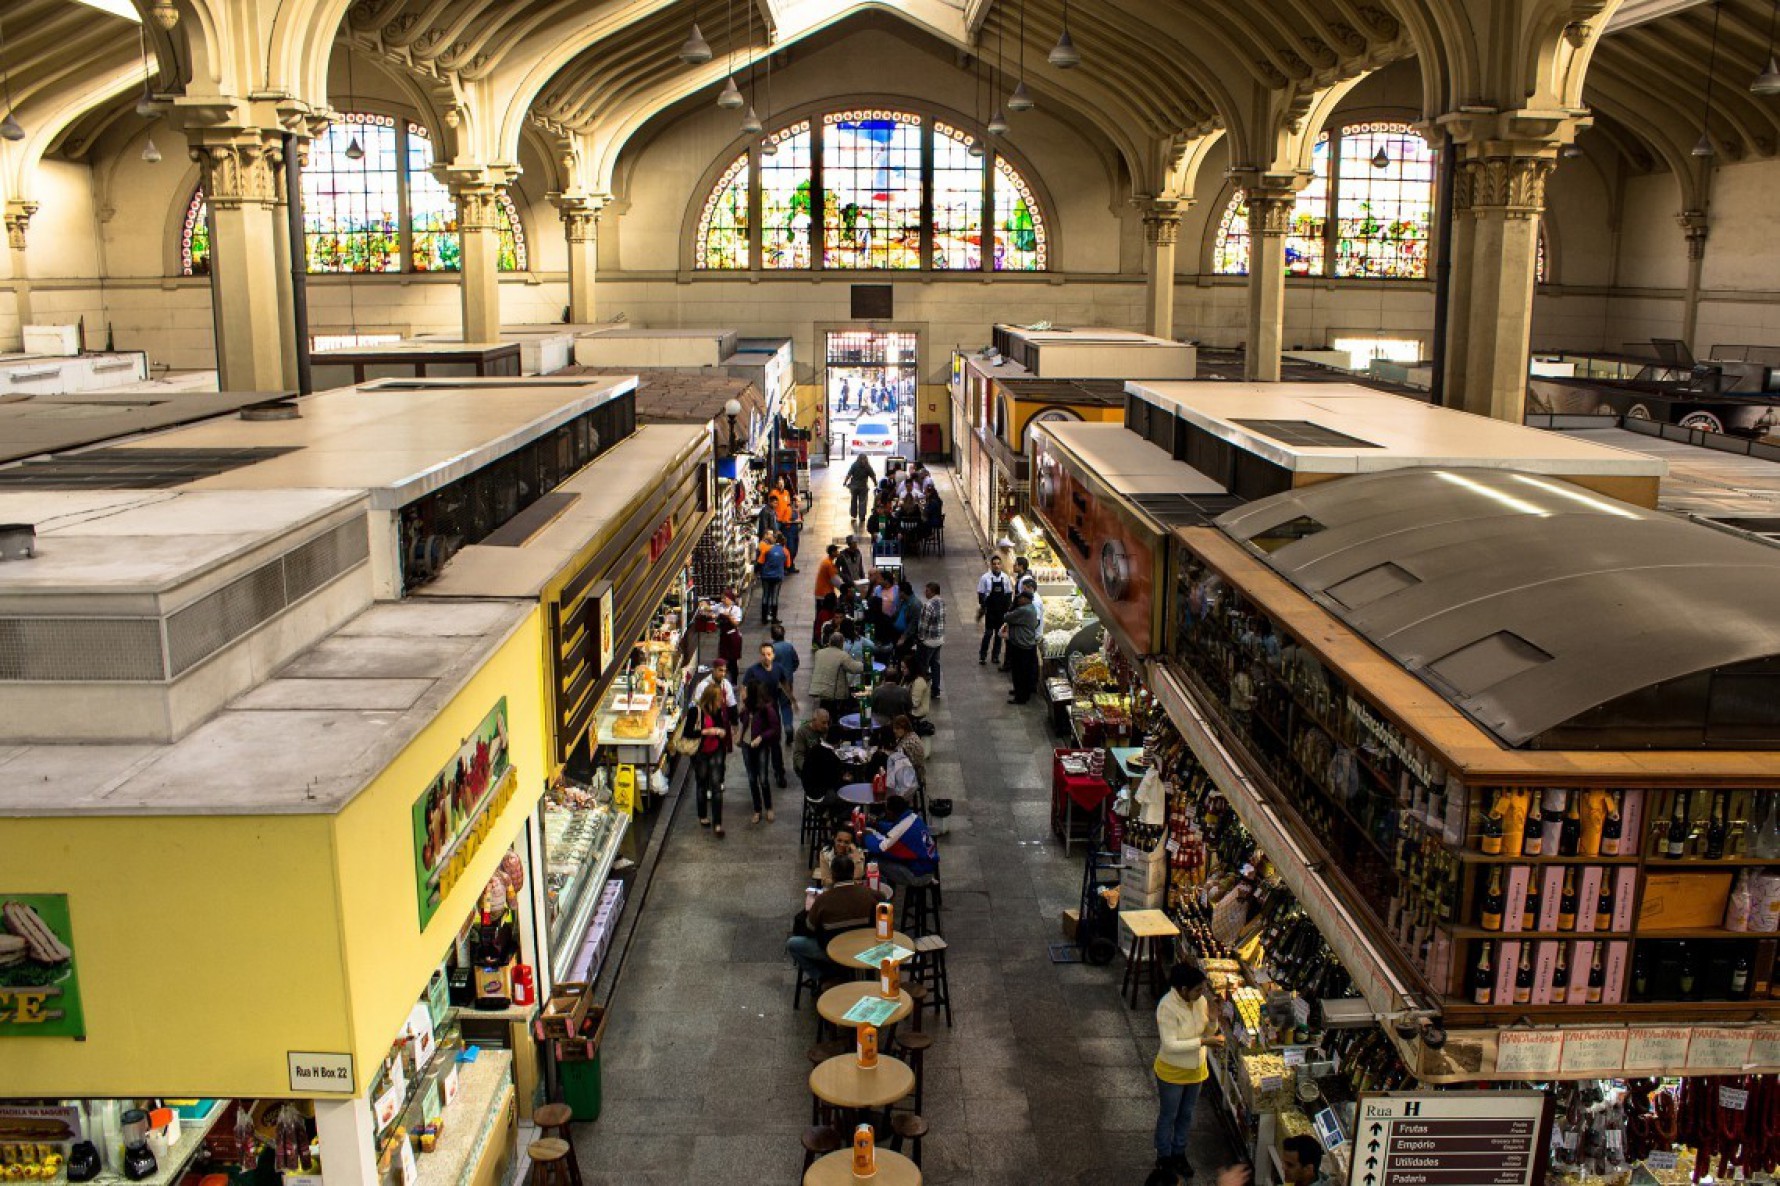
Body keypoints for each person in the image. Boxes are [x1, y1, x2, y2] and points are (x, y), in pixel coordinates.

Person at [1151, 964, 1224, 1182]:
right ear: (1183, 989)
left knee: (1186, 1115)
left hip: (1195, 1071)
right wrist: (1203, 1041)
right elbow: (1170, 1044)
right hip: (1172, 1072)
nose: (1201, 994)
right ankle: (1164, 1157)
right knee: (1169, 1115)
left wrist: (1212, 1019)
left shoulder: (1199, 1002)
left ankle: (1179, 1153)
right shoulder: (1166, 1007)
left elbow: (1208, 1031)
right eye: (1197, 990)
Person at [785, 855, 887, 979]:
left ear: (832, 875)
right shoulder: (868, 894)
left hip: (832, 951)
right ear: (853, 872)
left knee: (792, 944)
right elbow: (883, 901)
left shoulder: (822, 900)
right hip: (863, 949)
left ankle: (822, 977)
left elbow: (810, 927)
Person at [863, 794, 939, 894]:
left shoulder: (902, 830)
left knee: (873, 863)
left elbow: (879, 848)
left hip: (919, 876)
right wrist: (877, 824)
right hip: (926, 865)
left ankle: (881, 896)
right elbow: (895, 828)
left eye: (887, 810)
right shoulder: (913, 817)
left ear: (891, 812)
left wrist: (867, 835)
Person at [742, 643, 790, 787]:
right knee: (758, 743)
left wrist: (791, 700)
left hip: (773, 711)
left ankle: (779, 773)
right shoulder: (753, 671)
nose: (766, 657)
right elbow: (744, 689)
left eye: (769, 654)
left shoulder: (778, 669)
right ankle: (757, 772)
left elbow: (784, 683)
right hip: (757, 714)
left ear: (773, 655)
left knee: (775, 744)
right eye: (763, 654)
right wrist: (745, 706)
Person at [690, 683, 732, 837]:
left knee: (716, 786)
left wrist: (722, 733)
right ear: (710, 699)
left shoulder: (718, 711)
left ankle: (718, 823)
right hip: (700, 753)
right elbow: (689, 733)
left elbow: (722, 728)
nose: (721, 702)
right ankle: (702, 815)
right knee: (701, 784)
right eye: (718, 699)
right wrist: (709, 731)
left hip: (716, 751)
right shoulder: (695, 712)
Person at [737, 678, 781, 824]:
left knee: (763, 779)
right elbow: (743, 720)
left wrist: (761, 737)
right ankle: (757, 809)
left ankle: (768, 807)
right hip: (746, 745)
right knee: (751, 779)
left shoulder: (767, 709)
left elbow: (774, 728)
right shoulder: (747, 706)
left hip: (760, 746)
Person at [808, 633, 864, 724]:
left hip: (819, 689)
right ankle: (832, 732)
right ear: (842, 643)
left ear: (830, 641)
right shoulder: (842, 655)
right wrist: (867, 665)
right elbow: (854, 668)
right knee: (833, 716)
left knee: (823, 712)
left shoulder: (819, 653)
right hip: (833, 692)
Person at [1002, 589, 1043, 704]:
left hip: (1021, 646)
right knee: (1025, 671)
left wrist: (1012, 606)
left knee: (1019, 672)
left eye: (1020, 598)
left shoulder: (1024, 610)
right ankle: (1021, 692)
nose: (1018, 600)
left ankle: (1020, 697)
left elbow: (1006, 617)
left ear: (1026, 599)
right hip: (1028, 644)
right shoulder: (1031, 609)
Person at [977, 554, 1015, 667]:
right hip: (991, 611)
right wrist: (983, 606)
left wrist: (1008, 609)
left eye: (998, 564)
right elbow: (981, 593)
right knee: (988, 633)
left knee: (999, 635)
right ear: (991, 565)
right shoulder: (985, 578)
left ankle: (995, 656)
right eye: (994, 564)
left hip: (1001, 611)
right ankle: (982, 656)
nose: (996, 566)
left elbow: (1008, 594)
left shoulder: (1005, 578)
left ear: (1001, 565)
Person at [914, 581, 945, 697]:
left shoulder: (928, 605)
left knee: (922, 665)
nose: (925, 592)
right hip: (939, 639)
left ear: (932, 592)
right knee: (935, 664)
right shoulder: (941, 602)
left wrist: (920, 638)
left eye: (927, 590)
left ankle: (922, 690)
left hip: (928, 641)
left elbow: (923, 625)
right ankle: (936, 690)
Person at [769, 622, 800, 734]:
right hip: (787, 682)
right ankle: (788, 726)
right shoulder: (789, 647)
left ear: (772, 635)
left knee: (773, 707)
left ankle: (775, 729)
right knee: (786, 705)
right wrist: (790, 672)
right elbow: (796, 661)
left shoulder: (770, 649)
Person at [756, 530, 789, 625]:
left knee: (765, 595)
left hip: (766, 576)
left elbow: (760, 562)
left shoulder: (767, 549)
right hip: (777, 576)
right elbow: (788, 565)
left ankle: (764, 618)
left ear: (774, 539)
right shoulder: (785, 551)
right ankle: (774, 618)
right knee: (774, 597)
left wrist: (757, 571)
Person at [713, 590, 744, 672]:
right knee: (722, 658)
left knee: (733, 660)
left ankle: (734, 681)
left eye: (724, 598)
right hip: (724, 636)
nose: (722, 600)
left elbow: (736, 624)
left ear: (730, 599)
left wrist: (729, 616)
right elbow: (710, 608)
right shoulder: (720, 606)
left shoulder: (736, 610)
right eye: (722, 598)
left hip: (733, 637)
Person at [845, 454, 876, 523]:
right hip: (863, 487)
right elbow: (873, 476)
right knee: (863, 502)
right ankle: (862, 516)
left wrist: (845, 481)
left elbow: (849, 474)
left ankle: (853, 514)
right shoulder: (867, 466)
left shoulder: (854, 465)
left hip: (854, 487)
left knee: (853, 500)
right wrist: (875, 483)